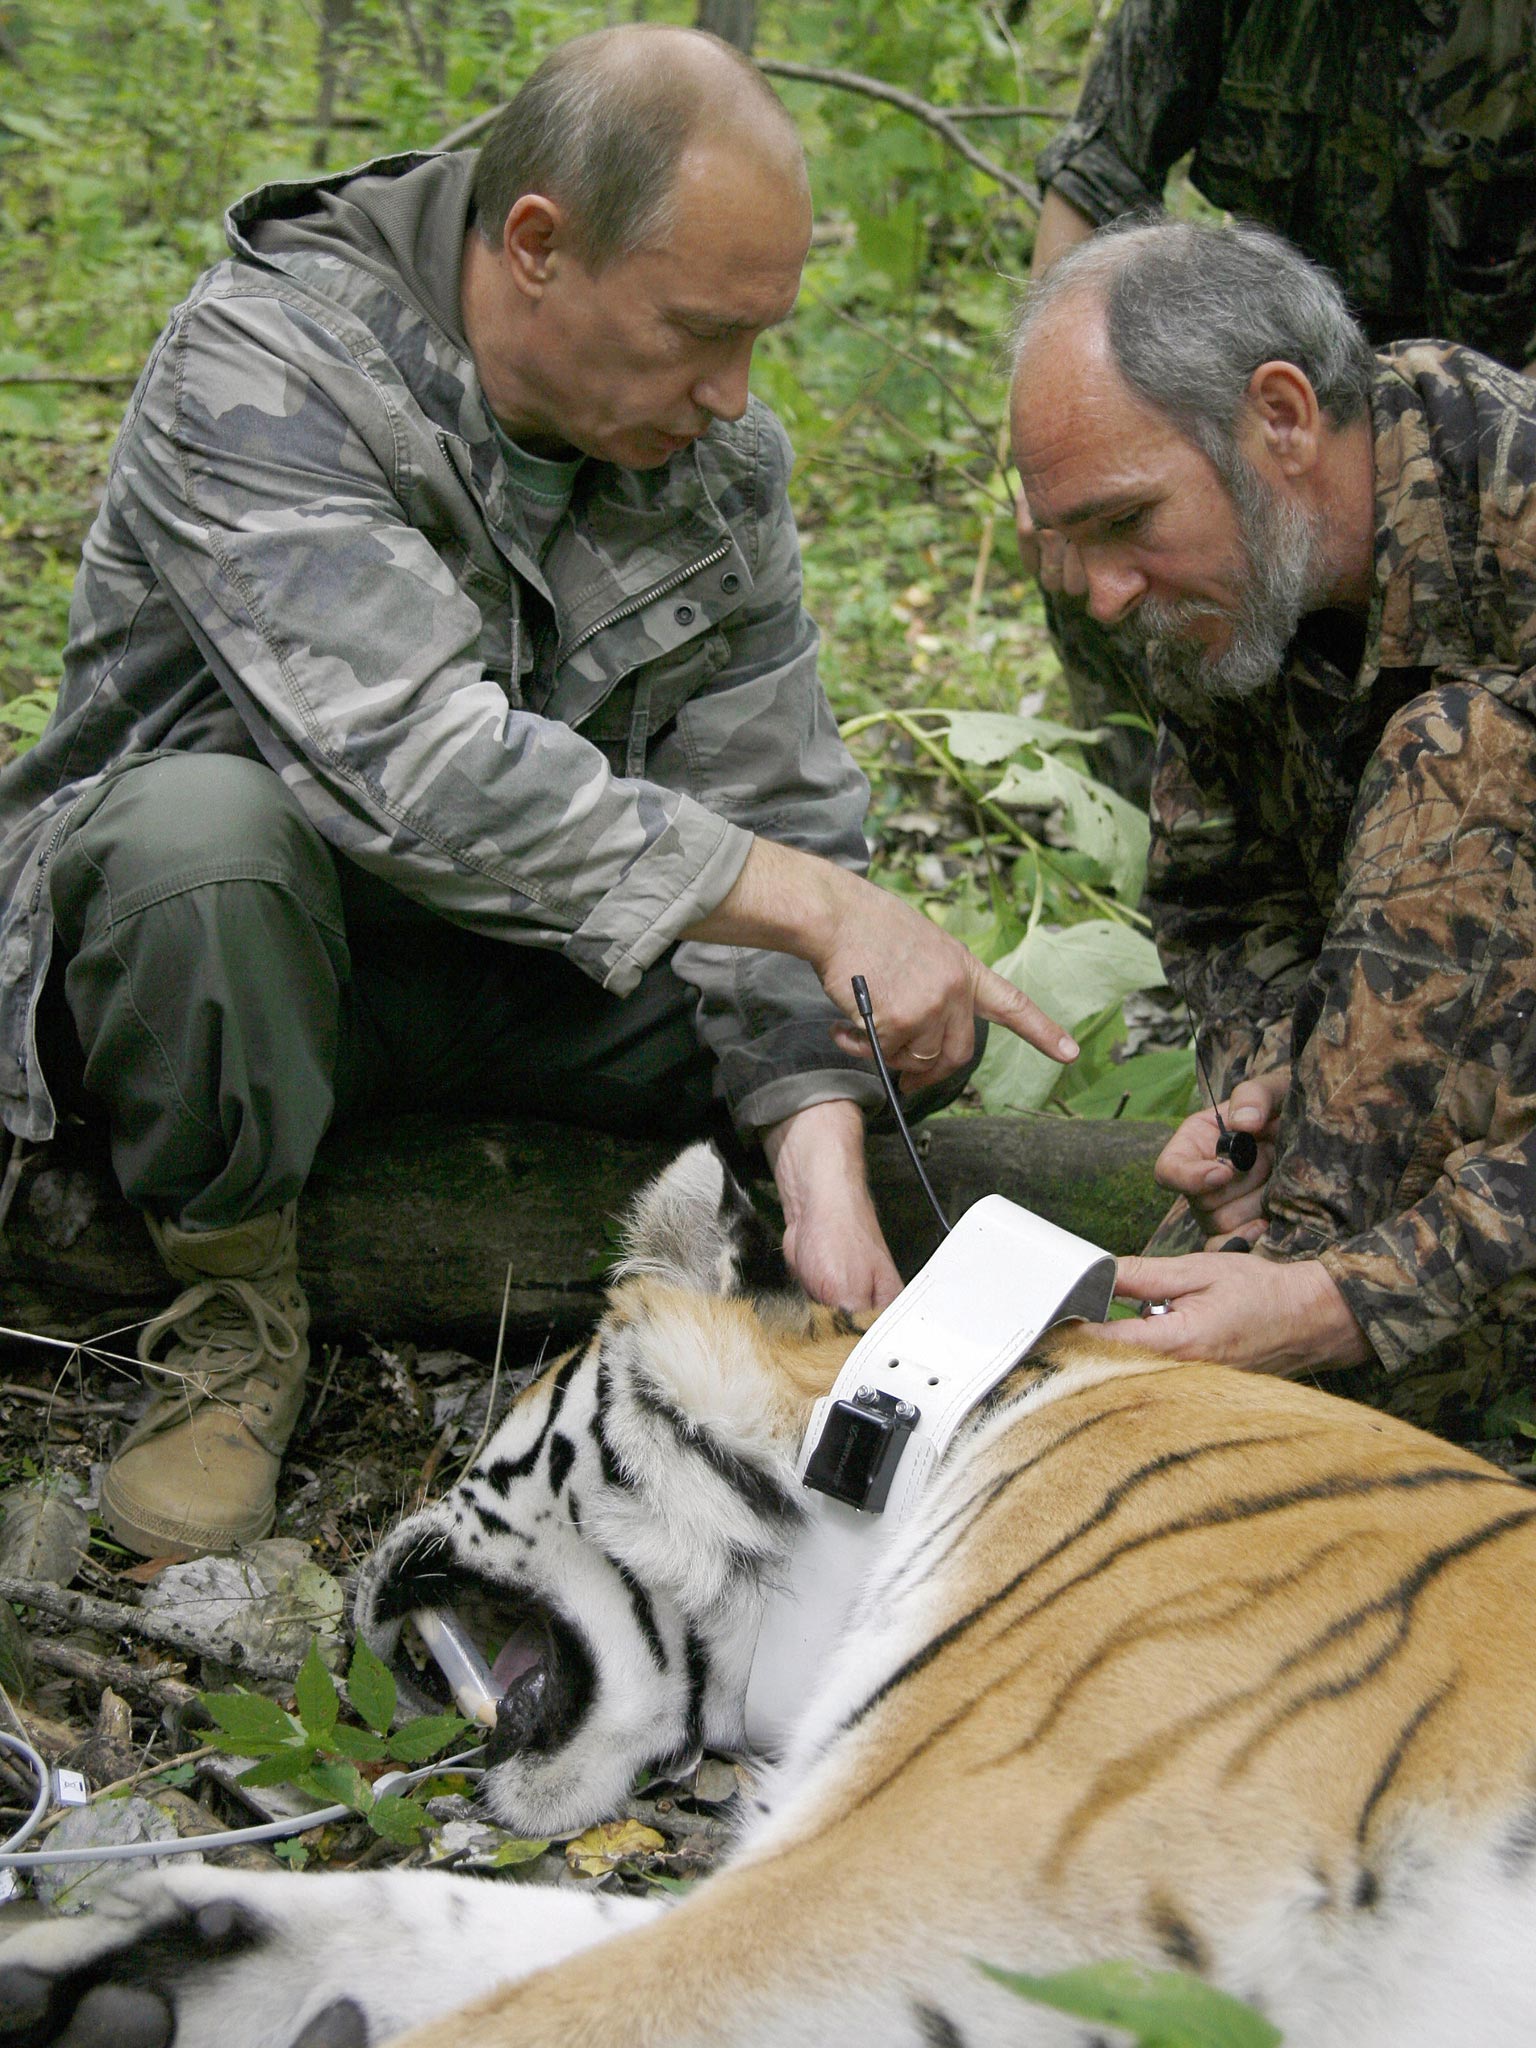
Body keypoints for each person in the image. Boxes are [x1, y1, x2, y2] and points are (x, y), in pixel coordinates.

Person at [0, 25, 1075, 1561]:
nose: (732, 393)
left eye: (761, 338)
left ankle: (781, 1239)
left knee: (896, 1013)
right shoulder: (265, 363)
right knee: (201, 849)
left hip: (500, 966)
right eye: (700, 333)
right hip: (212, 972)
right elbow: (415, 767)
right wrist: (814, 903)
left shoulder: (709, 456)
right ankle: (229, 1301)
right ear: (537, 246)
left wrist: (823, 1143)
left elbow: (771, 791)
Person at [1008, 215, 1536, 1427]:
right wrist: (1262, 1092)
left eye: (1127, 522)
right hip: (1396, 1196)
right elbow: (1225, 889)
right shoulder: (1223, 586)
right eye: (1072, 538)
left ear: (1282, 419)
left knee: (1457, 752)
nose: (1100, 590)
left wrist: (1341, 1298)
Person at [1022, 0, 1536, 800]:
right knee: (1119, 553)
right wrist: (1051, 465)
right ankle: (1163, 832)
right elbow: (1098, 170)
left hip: (1491, 438)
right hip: (1271, 419)